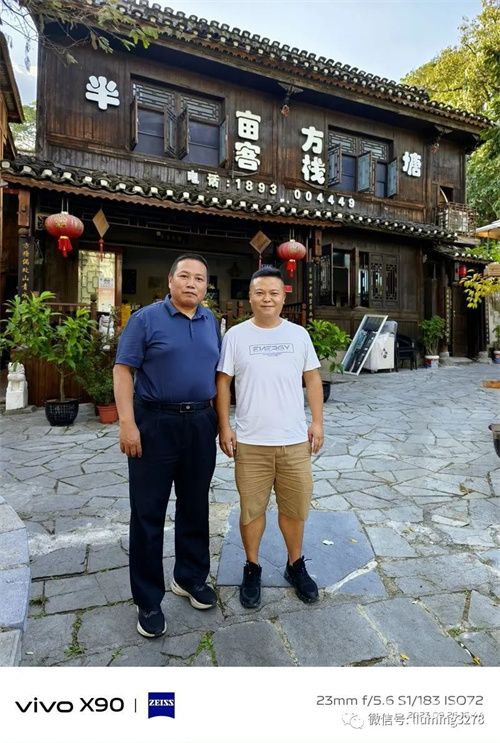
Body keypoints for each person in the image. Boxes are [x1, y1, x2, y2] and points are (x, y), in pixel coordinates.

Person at [113, 254, 220, 638]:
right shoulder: (146, 319)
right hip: (154, 423)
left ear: (206, 286)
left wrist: (220, 423)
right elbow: (123, 370)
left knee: (195, 504)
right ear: (170, 281)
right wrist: (127, 423)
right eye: (185, 276)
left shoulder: (211, 322)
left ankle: (189, 577)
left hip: (200, 422)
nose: (192, 283)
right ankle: (148, 599)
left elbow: (217, 375)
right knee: (148, 512)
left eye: (200, 278)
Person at [216, 265, 324, 609]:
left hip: (293, 441)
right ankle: (252, 567)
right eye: (260, 292)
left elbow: (313, 380)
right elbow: (223, 383)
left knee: (294, 509)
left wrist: (317, 422)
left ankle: (295, 564)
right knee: (252, 510)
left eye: (273, 293)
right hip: (251, 443)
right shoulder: (236, 336)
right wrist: (224, 426)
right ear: (250, 296)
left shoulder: (298, 335)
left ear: (283, 297)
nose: (267, 299)